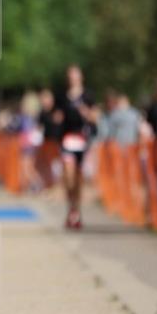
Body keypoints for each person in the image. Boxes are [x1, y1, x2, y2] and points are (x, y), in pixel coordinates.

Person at [54, 65, 98, 229]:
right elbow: (57, 116)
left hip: (82, 140)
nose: (73, 78)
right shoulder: (62, 96)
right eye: (70, 75)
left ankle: (76, 212)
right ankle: (70, 208)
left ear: (81, 77)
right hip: (67, 139)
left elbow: (95, 117)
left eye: (75, 75)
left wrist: (85, 111)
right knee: (69, 177)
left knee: (79, 180)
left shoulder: (88, 95)